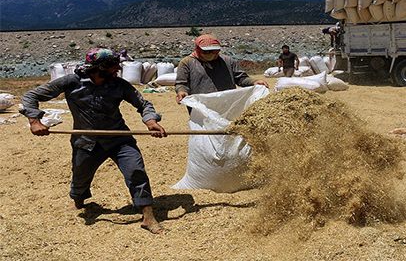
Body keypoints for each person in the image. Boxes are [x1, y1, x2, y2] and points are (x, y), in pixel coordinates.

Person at [20, 47, 167, 234]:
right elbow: (30, 96)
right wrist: (34, 121)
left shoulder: (119, 85)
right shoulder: (71, 82)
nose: (118, 70)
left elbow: (143, 104)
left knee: (136, 171)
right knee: (80, 177)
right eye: (114, 66)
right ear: (99, 68)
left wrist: (150, 121)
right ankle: (79, 200)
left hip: (118, 138)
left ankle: (148, 215)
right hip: (86, 141)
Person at [175, 34, 269, 105]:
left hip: (227, 103)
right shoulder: (187, 62)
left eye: (215, 51)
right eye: (207, 51)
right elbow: (181, 83)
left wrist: (254, 82)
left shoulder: (228, 61)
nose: (212, 54)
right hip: (201, 105)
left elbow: (241, 79)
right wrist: (181, 91)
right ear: (198, 49)